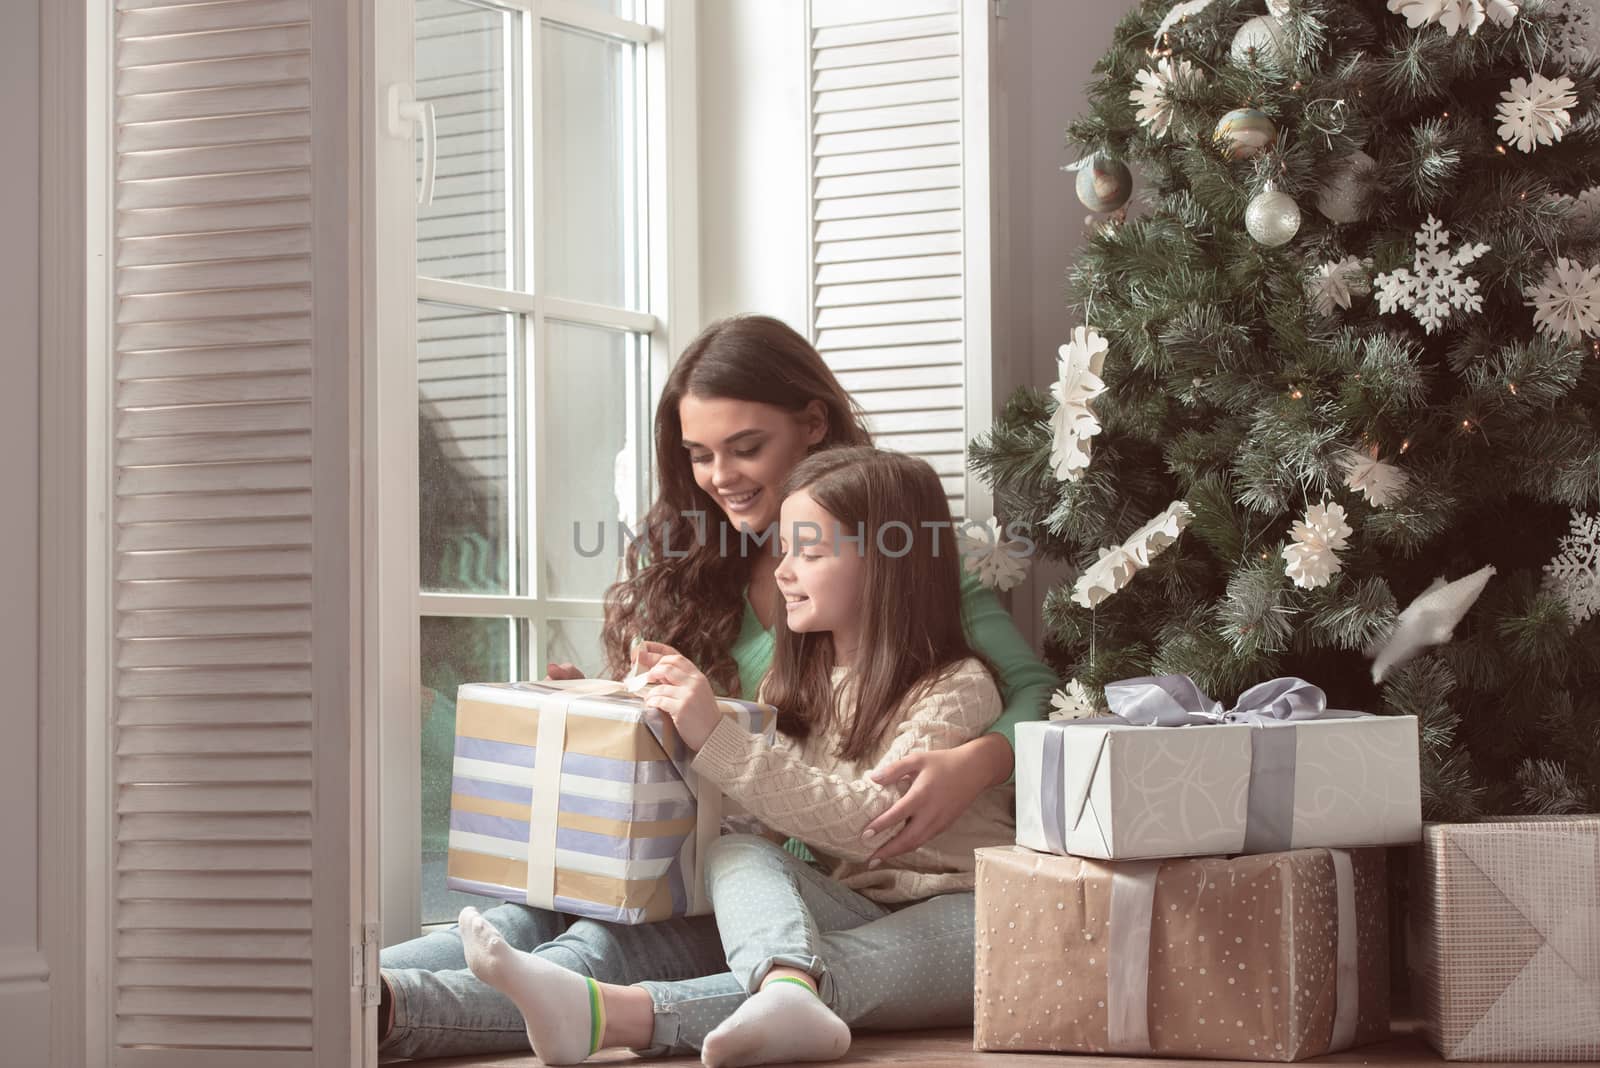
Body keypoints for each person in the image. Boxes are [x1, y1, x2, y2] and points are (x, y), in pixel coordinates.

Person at [378, 315, 1056, 1059]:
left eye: (746, 447)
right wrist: (607, 711)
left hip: (826, 878)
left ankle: (403, 1014)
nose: (720, 476)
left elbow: (1034, 692)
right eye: (699, 455)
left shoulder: (913, 588)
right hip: (759, 866)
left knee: (614, 947)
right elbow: (720, 756)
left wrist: (978, 762)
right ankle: (358, 991)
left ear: (812, 425)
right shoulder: (715, 578)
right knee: (540, 917)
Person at [456, 446, 1015, 1065]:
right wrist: (628, 714)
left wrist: (715, 737)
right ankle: (776, 992)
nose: (781, 571)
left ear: (889, 565)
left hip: (966, 910)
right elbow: (763, 819)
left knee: (831, 971)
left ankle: (607, 1014)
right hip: (852, 905)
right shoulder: (794, 684)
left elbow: (875, 826)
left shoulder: (958, 687)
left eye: (809, 552)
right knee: (740, 853)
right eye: (783, 550)